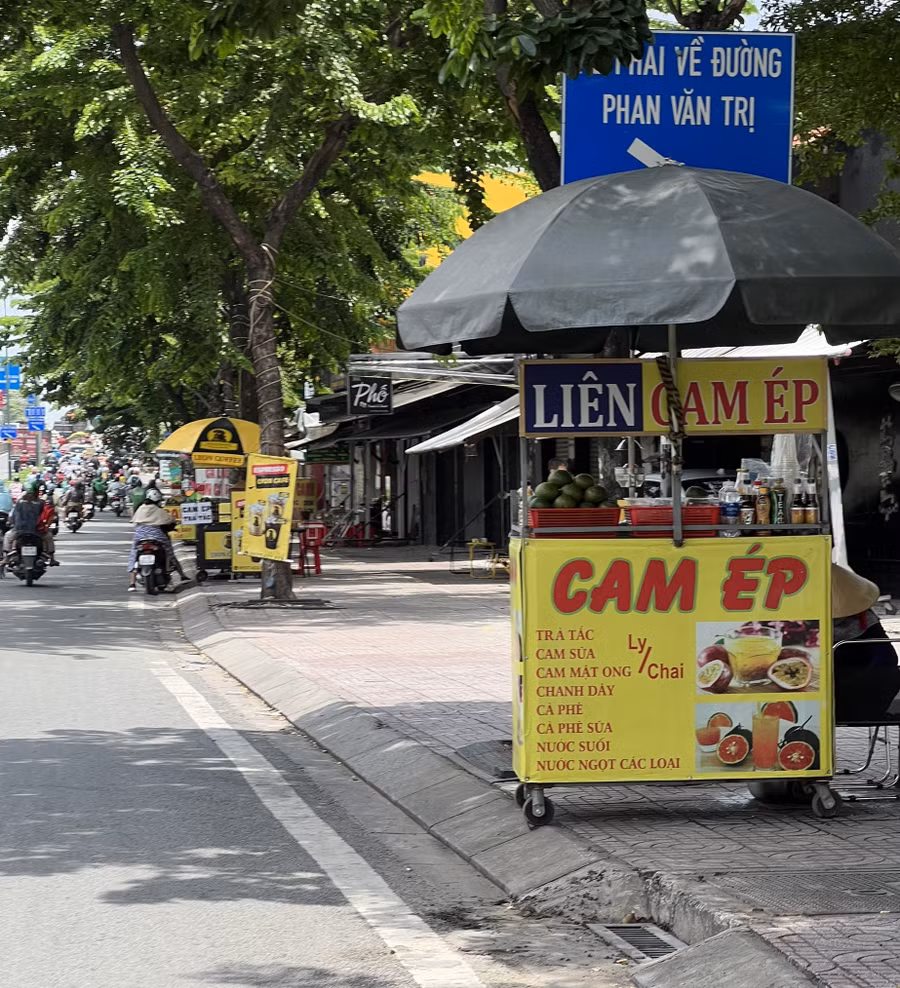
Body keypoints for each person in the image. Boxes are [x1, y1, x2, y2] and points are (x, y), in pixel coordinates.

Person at [832, 564, 900, 723]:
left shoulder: (810, 631)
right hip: (877, 699)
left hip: (831, 702)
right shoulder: (869, 620)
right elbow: (890, 658)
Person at [127, 488, 186, 592]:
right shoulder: (158, 510)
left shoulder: (141, 508)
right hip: (157, 536)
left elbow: (134, 522)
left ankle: (132, 583)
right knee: (170, 552)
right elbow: (169, 520)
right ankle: (182, 575)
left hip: (140, 536)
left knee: (133, 555)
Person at [3, 489, 58, 565]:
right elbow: (46, 515)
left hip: (20, 531)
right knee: (49, 537)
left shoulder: (19, 503)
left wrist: (11, 523)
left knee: (7, 536)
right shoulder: (41, 503)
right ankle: (52, 558)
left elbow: (12, 516)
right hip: (37, 531)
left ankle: (6, 558)